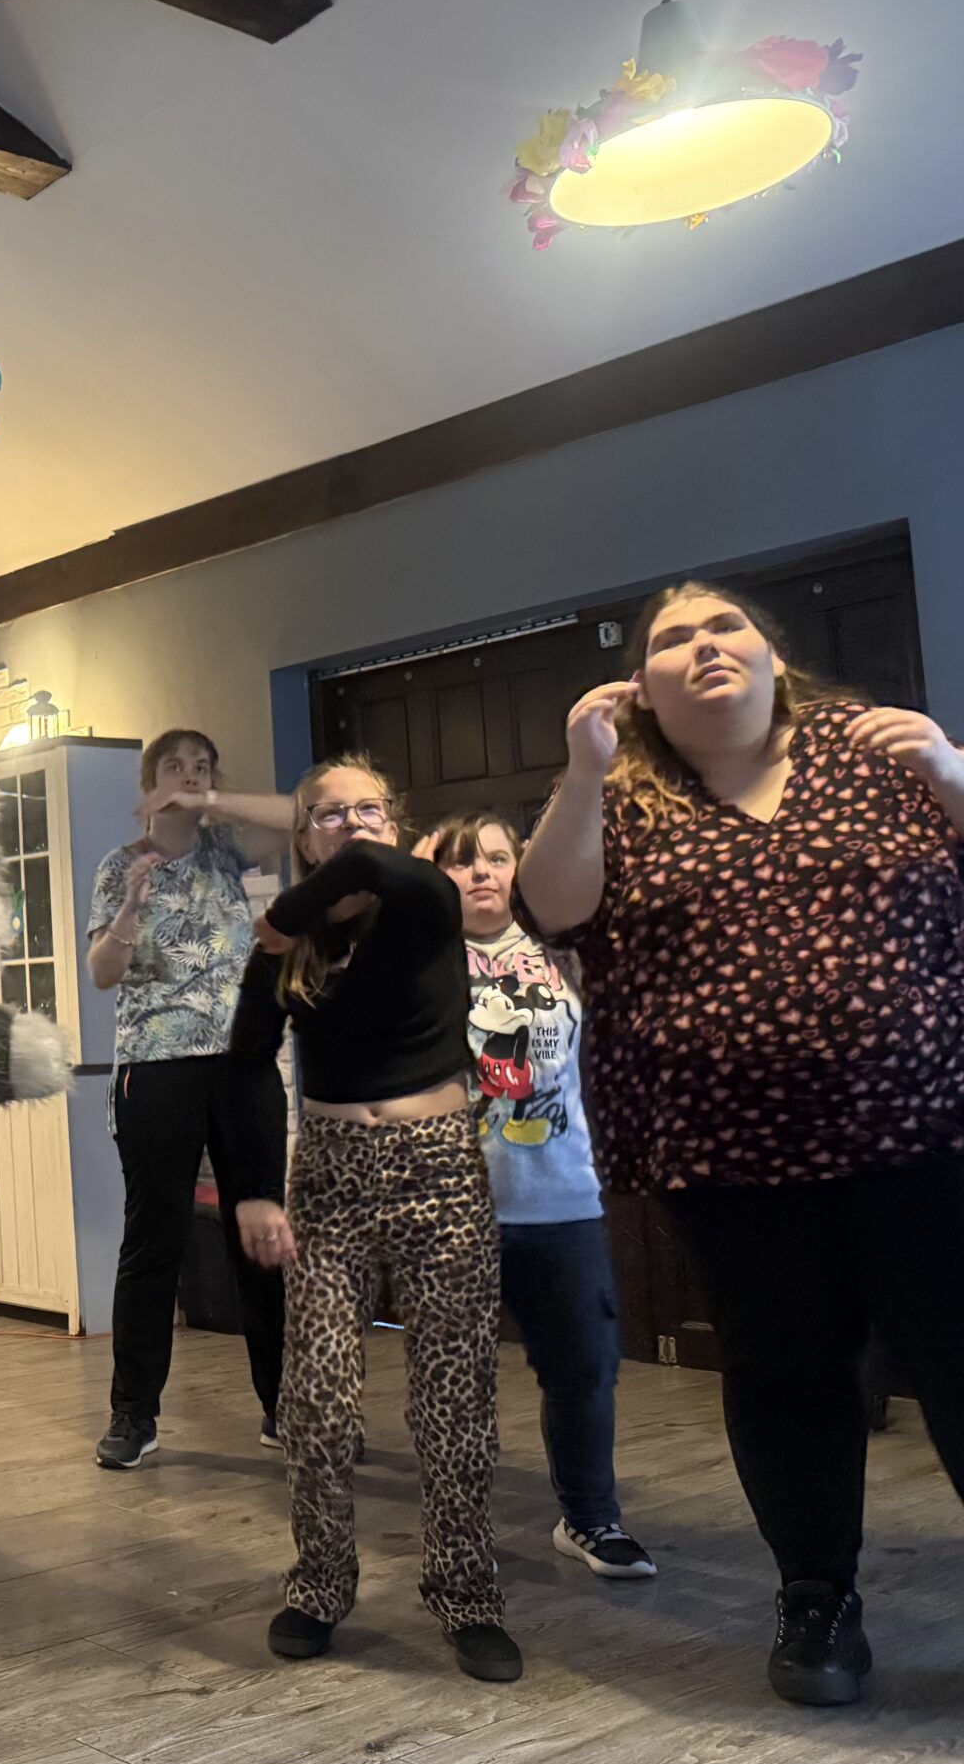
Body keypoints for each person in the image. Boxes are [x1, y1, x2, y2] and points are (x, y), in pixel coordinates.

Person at [513, 581, 964, 1707]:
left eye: (726, 626)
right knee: (785, 1373)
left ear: (771, 655)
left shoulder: (876, 755)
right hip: (730, 1155)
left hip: (923, 1129)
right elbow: (552, 910)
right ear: (641, 685)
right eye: (673, 639)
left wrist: (951, 770)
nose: (705, 645)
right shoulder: (620, 794)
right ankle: (817, 1600)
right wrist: (581, 773)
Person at [231, 758, 519, 1683]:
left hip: (440, 1166)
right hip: (328, 1175)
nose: (354, 825)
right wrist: (254, 1189)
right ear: (302, 835)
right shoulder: (288, 957)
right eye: (330, 814)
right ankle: (319, 1585)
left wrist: (281, 913)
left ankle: (466, 1595)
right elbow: (244, 1064)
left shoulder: (424, 900)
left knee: (454, 1399)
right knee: (315, 1403)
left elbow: (372, 869)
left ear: (393, 824)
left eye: (369, 809)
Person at [423, 812, 655, 1580]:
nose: (481, 872)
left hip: (562, 1199)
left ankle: (590, 1518)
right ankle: (454, 1534)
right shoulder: (415, 956)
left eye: (497, 857)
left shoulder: (563, 951)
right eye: (460, 862)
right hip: (452, 1206)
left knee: (585, 1367)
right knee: (452, 1383)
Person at [86, 728, 296, 1468]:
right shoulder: (120, 866)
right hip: (157, 1066)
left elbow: (297, 816)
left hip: (242, 1066)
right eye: (174, 766)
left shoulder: (227, 851)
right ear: (148, 783)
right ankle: (133, 1415)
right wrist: (129, 911)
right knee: (154, 1240)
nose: (188, 776)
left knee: (261, 1238)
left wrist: (212, 800)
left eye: (201, 766)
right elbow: (103, 973)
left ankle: (285, 1407)